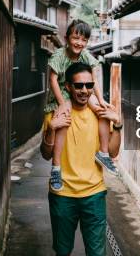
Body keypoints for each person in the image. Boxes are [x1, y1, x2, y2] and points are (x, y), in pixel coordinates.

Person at [40, 62, 123, 256]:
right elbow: (45, 154)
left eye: (88, 85)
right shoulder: (56, 114)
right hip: (62, 195)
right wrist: (52, 129)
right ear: (68, 86)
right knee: (63, 251)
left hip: (94, 195)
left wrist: (117, 124)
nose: (84, 90)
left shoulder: (100, 115)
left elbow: (112, 152)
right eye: (78, 86)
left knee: (97, 253)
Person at [44, 20, 117, 192]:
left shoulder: (85, 55)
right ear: (66, 38)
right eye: (76, 38)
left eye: (84, 39)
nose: (79, 43)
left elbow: (93, 79)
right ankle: (56, 167)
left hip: (80, 89)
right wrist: (62, 103)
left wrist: (101, 100)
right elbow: (53, 80)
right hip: (62, 91)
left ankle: (103, 153)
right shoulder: (59, 55)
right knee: (64, 119)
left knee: (102, 112)